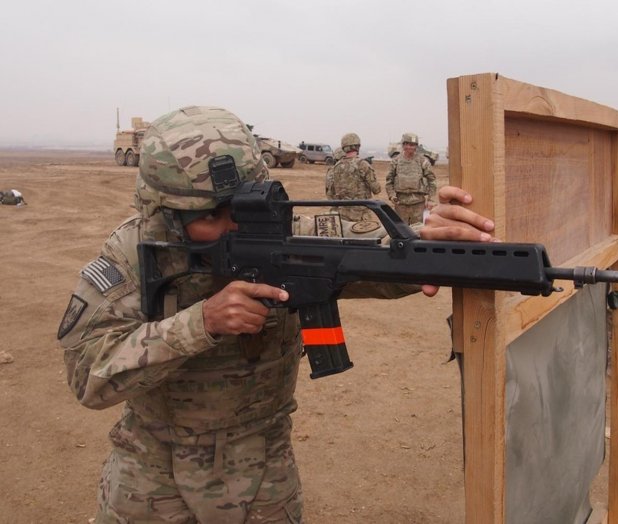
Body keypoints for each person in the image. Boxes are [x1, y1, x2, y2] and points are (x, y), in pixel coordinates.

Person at [57, 105, 495, 523]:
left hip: (262, 471)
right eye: (213, 216)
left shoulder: (283, 234)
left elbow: (376, 256)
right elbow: (89, 377)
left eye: (245, 209)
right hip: (150, 477)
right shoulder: (130, 256)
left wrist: (432, 238)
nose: (235, 226)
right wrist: (201, 323)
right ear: (165, 215)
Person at [325, 132, 381, 223]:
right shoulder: (363, 165)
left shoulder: (336, 167)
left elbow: (331, 193)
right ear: (358, 146)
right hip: (361, 215)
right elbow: (376, 189)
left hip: (342, 214)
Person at [385, 132, 437, 225]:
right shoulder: (396, 161)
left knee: (417, 231)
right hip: (401, 204)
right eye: (408, 144)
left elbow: (432, 180)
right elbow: (389, 181)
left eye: (413, 145)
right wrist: (392, 195)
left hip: (418, 203)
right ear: (404, 145)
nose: (410, 147)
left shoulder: (423, 161)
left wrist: (431, 199)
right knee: (401, 231)